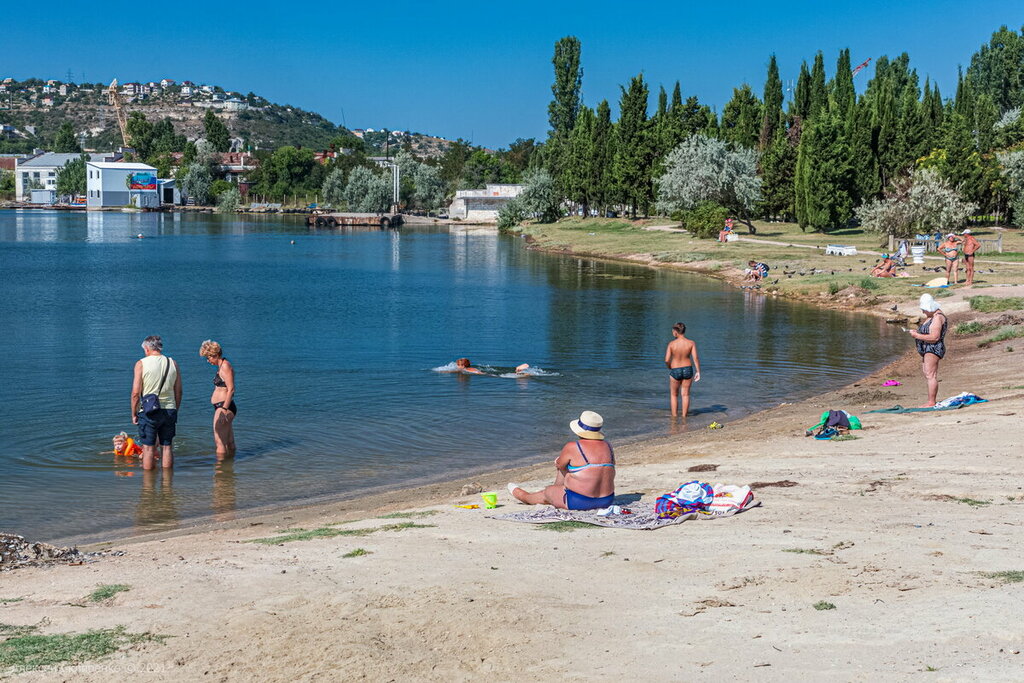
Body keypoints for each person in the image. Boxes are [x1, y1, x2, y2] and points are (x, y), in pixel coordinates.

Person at [508, 411, 615, 510]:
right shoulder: (608, 446)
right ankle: (556, 492)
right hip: (606, 500)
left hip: (579, 501)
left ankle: (524, 497)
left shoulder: (573, 446)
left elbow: (560, 465)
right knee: (576, 467)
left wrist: (559, 462)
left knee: (547, 491)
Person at [131, 335, 182, 470]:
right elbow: (179, 391)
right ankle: (167, 484)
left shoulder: (141, 363)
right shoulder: (173, 363)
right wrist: (175, 409)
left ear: (147, 349)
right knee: (167, 447)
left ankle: (148, 487)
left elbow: (136, 393)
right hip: (170, 409)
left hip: (149, 411)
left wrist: (134, 413)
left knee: (148, 449)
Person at [908, 294, 947, 408]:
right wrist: (918, 332)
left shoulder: (937, 317)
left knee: (931, 375)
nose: (923, 311)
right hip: (927, 348)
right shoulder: (931, 316)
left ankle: (931, 402)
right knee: (927, 373)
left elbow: (934, 337)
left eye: (924, 309)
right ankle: (931, 400)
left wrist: (916, 335)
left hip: (933, 348)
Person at [199, 340, 236, 456]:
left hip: (224, 407)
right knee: (229, 441)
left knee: (219, 442)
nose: (208, 361)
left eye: (208, 357)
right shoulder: (221, 366)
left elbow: (231, 389)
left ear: (214, 355)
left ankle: (220, 471)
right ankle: (230, 467)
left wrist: (223, 410)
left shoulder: (225, 366)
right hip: (222, 406)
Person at [664, 322, 701, 417]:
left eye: (673, 331)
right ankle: (684, 417)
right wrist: (698, 371)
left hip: (675, 369)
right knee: (685, 395)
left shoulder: (671, 344)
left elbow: (667, 360)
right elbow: (695, 358)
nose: (672, 332)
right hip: (688, 369)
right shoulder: (691, 343)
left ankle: (674, 417)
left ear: (676, 332)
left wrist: (669, 367)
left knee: (674, 395)